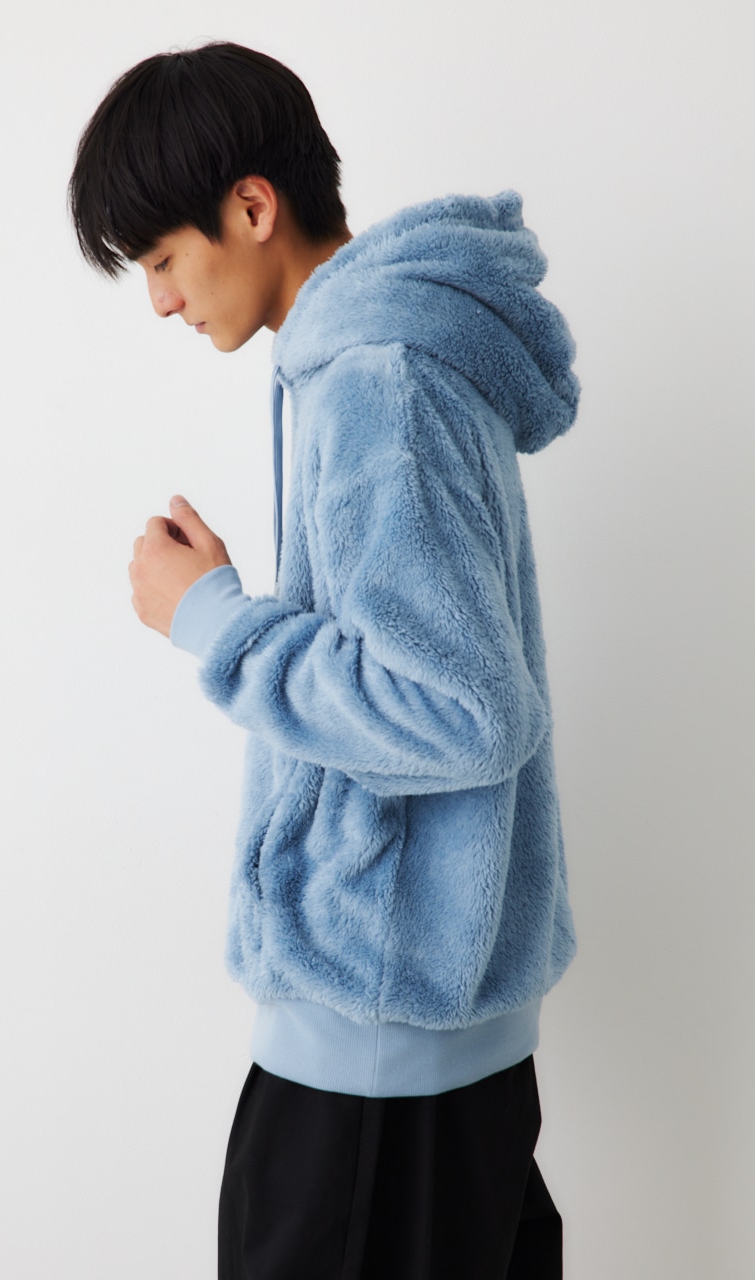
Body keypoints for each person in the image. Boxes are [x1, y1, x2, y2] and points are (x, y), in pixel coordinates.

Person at [68, 40, 580, 1280]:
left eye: (163, 257)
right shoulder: (377, 361)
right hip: (421, 1040)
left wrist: (214, 620)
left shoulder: (375, 382)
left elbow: (460, 710)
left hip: (376, 1061)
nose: (161, 300)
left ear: (252, 207)